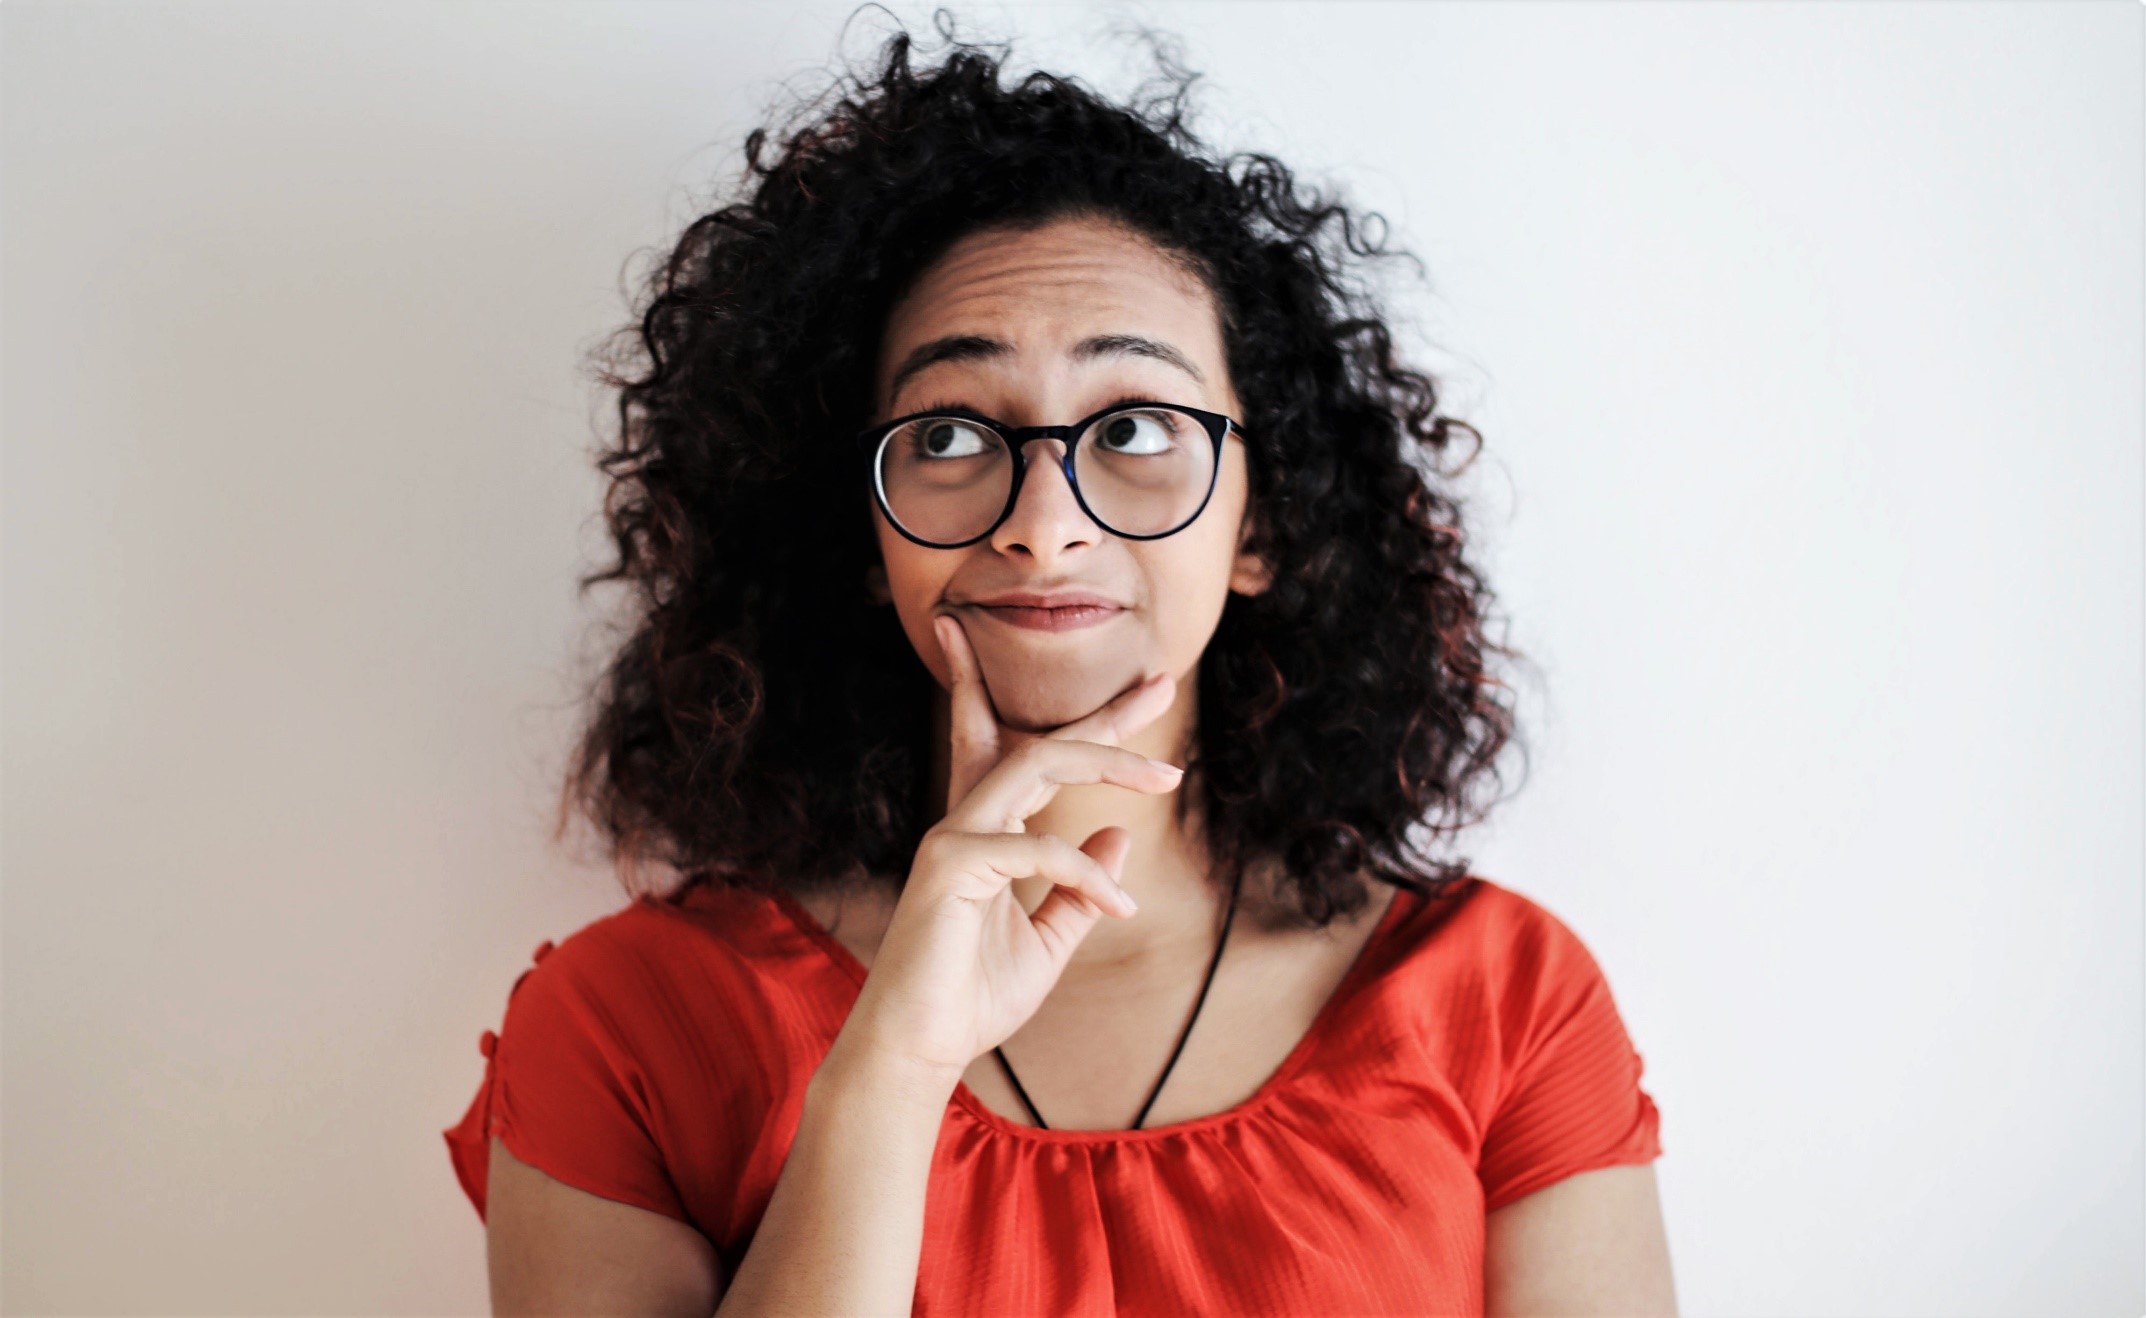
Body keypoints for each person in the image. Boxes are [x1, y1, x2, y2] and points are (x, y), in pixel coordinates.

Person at [443, 16, 1673, 1316]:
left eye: (1135, 425)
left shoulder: (1504, 1004)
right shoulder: (632, 1023)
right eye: (954, 431)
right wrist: (895, 1063)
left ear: (1256, 523)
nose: (1042, 518)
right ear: (867, 535)